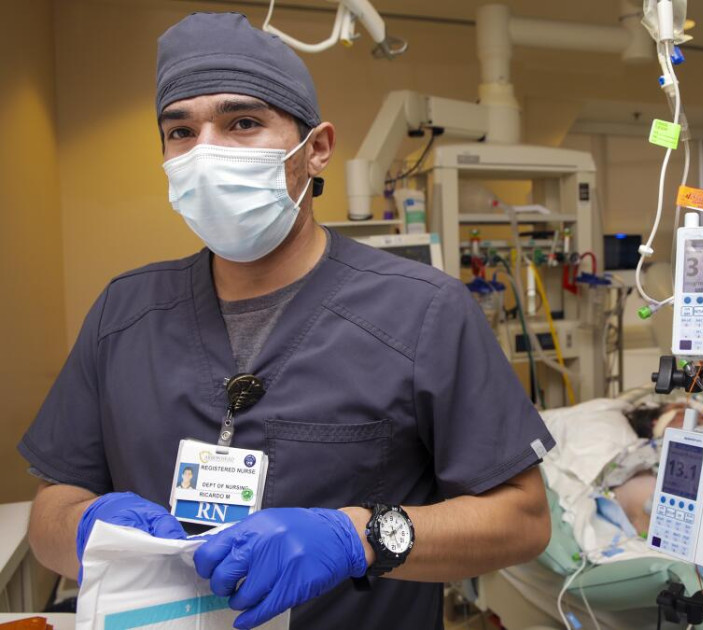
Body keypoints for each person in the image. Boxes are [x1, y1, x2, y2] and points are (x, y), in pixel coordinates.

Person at [19, 13, 553, 630]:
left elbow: (522, 519)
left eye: (242, 123)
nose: (207, 152)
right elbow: (49, 514)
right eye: (181, 131)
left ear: (317, 148)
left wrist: (361, 536)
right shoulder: (124, 312)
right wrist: (85, 529)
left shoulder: (424, 312)